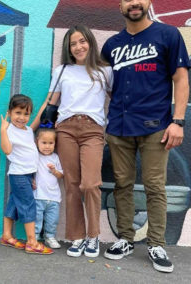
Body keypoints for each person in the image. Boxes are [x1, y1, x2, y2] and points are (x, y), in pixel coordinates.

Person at [101, 0, 190, 273]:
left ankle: (156, 244)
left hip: (156, 126)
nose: (134, 3)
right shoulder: (112, 45)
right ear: (121, 5)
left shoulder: (168, 35)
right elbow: (104, 82)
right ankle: (125, 239)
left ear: (148, 2)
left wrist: (178, 121)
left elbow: (181, 78)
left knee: (154, 186)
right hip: (119, 126)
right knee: (122, 184)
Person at [32, 24, 113, 258]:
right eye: (73, 43)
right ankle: (77, 237)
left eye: (82, 41)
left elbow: (117, 99)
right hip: (66, 129)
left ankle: (93, 235)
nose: (78, 47)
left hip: (93, 130)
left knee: (90, 184)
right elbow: (50, 104)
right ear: (68, 48)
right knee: (71, 185)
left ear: (90, 42)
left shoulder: (105, 71)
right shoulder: (62, 71)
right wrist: (31, 130)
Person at [0, 94, 53, 255]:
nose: (22, 118)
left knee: (14, 204)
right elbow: (7, 150)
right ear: (9, 112)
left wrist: (47, 100)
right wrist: (3, 129)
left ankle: (7, 235)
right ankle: (32, 242)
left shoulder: (29, 130)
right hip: (18, 175)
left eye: (26, 114)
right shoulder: (9, 129)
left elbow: (38, 117)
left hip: (27, 175)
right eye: (18, 113)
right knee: (28, 204)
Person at [32, 128, 64, 249]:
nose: (47, 146)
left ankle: (49, 237)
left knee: (52, 220)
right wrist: (31, 179)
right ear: (37, 142)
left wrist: (54, 170)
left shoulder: (56, 158)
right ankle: (34, 237)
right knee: (36, 218)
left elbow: (61, 175)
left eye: (51, 143)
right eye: (44, 143)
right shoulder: (36, 156)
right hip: (38, 195)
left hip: (54, 197)